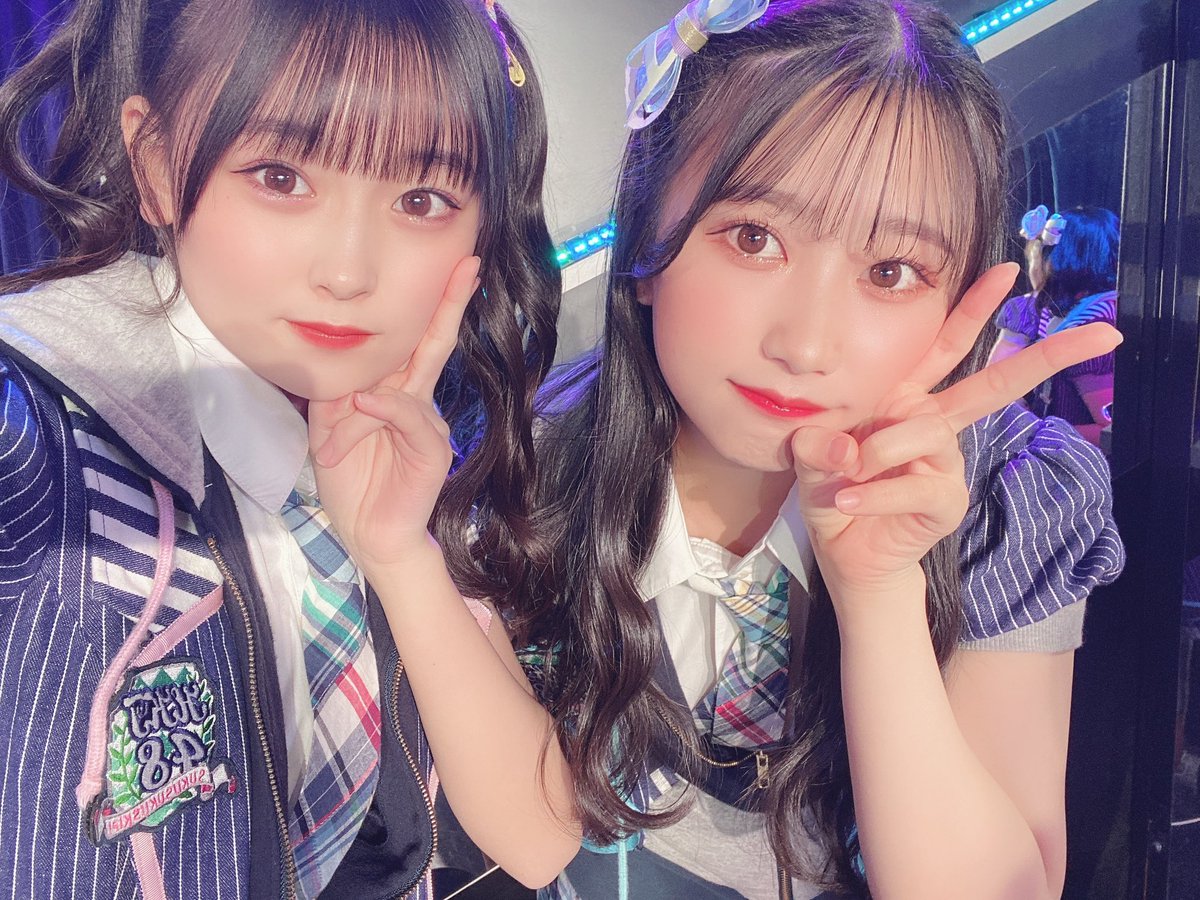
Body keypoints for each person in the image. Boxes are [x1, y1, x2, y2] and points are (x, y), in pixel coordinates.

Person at [499, 1, 1126, 898]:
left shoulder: (1006, 495)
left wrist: (880, 592)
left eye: (891, 272)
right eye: (754, 239)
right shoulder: (531, 467)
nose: (806, 344)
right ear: (644, 240)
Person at [0, 1, 579, 897]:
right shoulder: (37, 437)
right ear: (156, 165)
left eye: (421, 201)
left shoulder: (406, 424)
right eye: (280, 177)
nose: (347, 272)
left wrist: (400, 555)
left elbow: (539, 842)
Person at [988, 204, 1121, 446]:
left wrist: (1033, 432)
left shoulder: (1093, 325)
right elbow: (995, 381)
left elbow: (1108, 431)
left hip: (1071, 456)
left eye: (1035, 257)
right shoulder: (1032, 309)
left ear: (1054, 262)